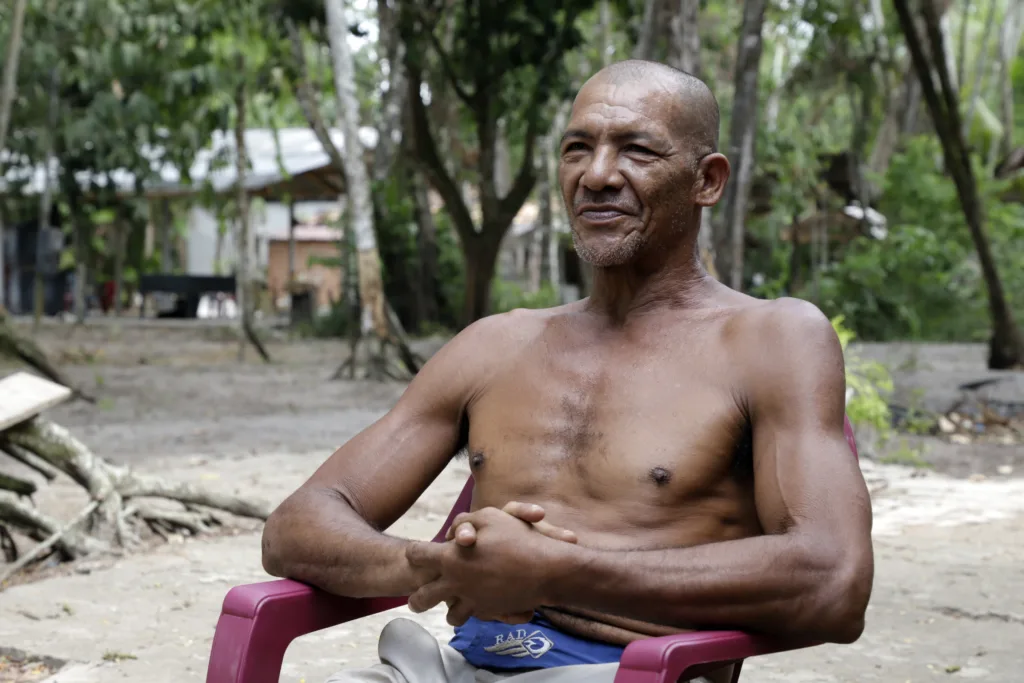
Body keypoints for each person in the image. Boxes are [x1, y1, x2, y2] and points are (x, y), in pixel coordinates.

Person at [261, 59, 874, 683]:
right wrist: (441, 565)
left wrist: (555, 572)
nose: (598, 175)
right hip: (449, 668)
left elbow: (835, 581)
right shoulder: (495, 345)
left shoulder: (772, 341)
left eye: (637, 150)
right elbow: (296, 526)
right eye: (577, 148)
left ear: (707, 180)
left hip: (631, 672)